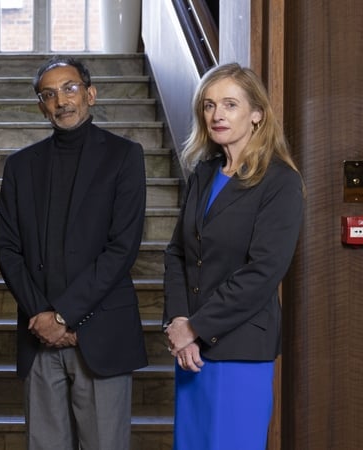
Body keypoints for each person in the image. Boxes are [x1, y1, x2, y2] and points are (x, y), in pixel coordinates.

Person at [0, 56, 148, 450]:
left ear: (90, 94)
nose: (61, 101)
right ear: (41, 106)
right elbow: (7, 247)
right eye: (49, 94)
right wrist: (42, 316)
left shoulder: (124, 156)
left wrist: (63, 316)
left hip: (101, 335)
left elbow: (122, 248)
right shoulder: (20, 166)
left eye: (70, 88)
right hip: (39, 338)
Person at [163, 63, 304, 450]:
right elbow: (177, 253)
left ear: (257, 114)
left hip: (240, 349)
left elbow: (263, 272)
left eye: (230, 104)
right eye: (209, 105)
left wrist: (195, 327)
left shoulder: (280, 181)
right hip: (191, 352)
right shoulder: (204, 173)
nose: (217, 115)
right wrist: (179, 322)